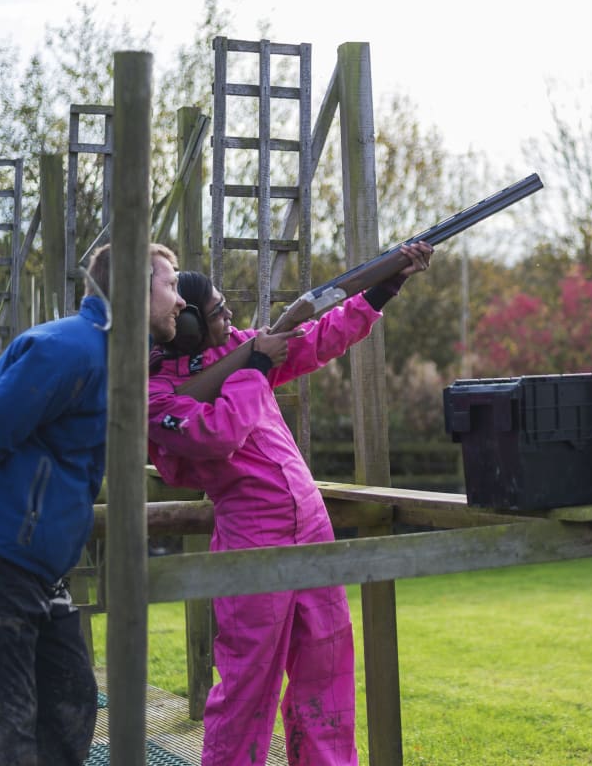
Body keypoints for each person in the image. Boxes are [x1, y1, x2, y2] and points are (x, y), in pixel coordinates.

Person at [0, 242, 185, 765]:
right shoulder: (69, 348)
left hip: (37, 570)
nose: (181, 300)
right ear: (132, 288)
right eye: (171, 284)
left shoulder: (117, 361)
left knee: (70, 705)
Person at [146, 242, 434, 766]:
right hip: (252, 543)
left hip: (313, 530)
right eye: (216, 310)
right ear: (184, 324)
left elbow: (318, 338)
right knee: (246, 689)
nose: (229, 313)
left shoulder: (239, 348)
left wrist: (384, 288)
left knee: (326, 679)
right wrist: (253, 368)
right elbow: (216, 436)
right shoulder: (157, 393)